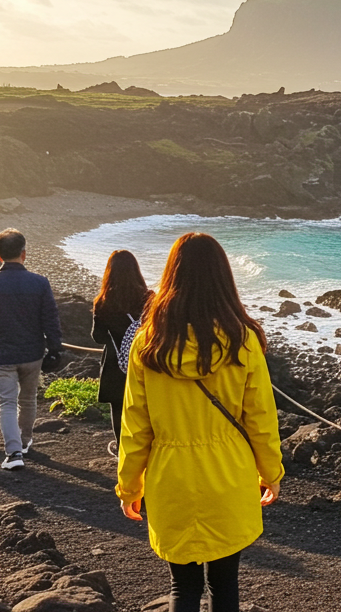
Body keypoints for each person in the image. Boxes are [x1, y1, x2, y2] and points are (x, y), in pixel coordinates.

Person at [116, 233, 284, 612]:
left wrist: (129, 485)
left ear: (171, 277)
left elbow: (135, 425)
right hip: (228, 474)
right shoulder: (243, 341)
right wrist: (271, 472)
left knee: (183, 586)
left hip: (170, 476)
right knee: (225, 584)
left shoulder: (148, 344)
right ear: (223, 278)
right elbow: (260, 417)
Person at [0, 229, 62, 470]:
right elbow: (50, 318)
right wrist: (55, 348)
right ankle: (25, 442)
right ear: (24, 253)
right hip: (32, 353)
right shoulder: (40, 282)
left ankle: (13, 453)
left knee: (6, 403)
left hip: (1, 354)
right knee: (28, 399)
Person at [91, 250, 153, 456]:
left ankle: (122, 451)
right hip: (144, 362)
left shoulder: (103, 302)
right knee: (146, 409)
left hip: (115, 364)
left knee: (118, 409)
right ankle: (148, 451)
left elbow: (98, 337)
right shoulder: (149, 298)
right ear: (136, 270)